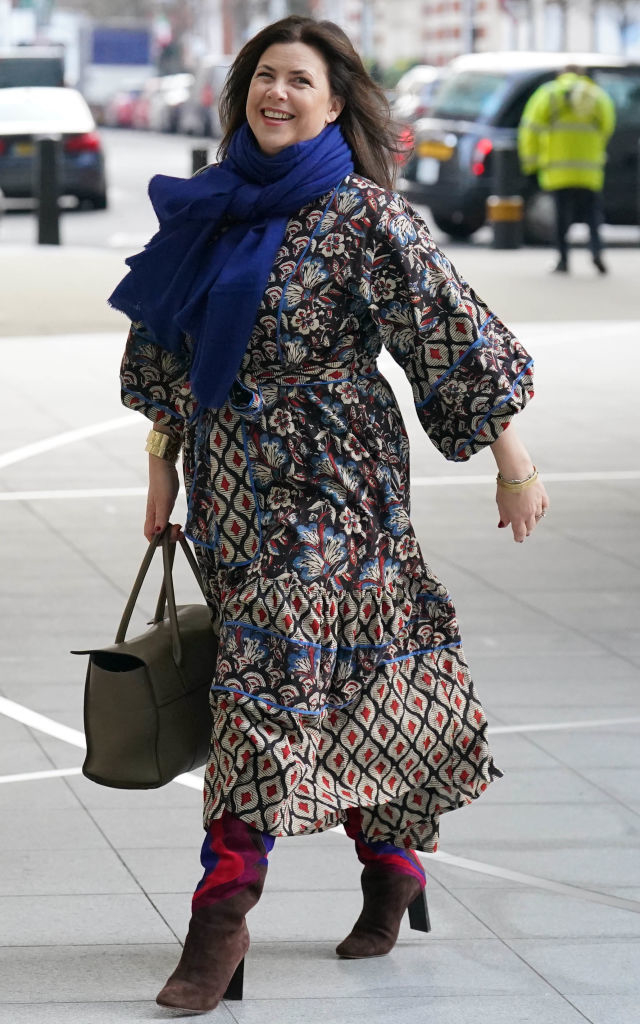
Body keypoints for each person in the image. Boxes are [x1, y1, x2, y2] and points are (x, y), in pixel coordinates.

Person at [110, 15, 549, 1015]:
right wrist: (161, 467)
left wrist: (512, 463)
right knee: (347, 677)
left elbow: (451, 336)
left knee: (266, 686)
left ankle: (221, 918)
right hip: (230, 481)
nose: (277, 93)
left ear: (336, 101)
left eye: (299, 80)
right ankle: (393, 865)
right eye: (264, 75)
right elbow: (169, 346)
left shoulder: (366, 217)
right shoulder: (208, 206)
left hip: (338, 485)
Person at [518, 64, 616, 275]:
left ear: (561, 75)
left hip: (558, 168)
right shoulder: (597, 96)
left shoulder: (548, 94)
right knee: (592, 214)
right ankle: (597, 252)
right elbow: (608, 126)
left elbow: (529, 130)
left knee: (562, 216)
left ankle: (563, 259)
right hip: (589, 168)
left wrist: (531, 164)